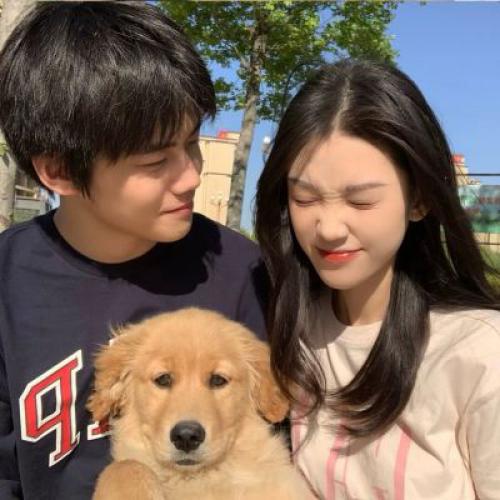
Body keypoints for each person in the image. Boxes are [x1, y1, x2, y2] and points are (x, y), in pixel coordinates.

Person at [0, 2, 267, 499]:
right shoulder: (7, 285)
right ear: (59, 171)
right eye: (155, 160)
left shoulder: (241, 272)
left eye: (192, 143)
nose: (191, 175)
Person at [255, 58, 500, 499]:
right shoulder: (292, 330)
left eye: (361, 201)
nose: (329, 228)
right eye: (304, 198)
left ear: (419, 200)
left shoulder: (479, 353)